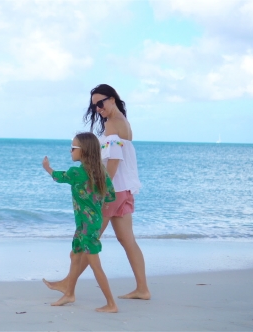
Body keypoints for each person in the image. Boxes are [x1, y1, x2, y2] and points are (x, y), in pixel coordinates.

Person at [43, 84, 151, 300]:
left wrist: (101, 190)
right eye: (94, 106)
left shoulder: (112, 124)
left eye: (100, 103)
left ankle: (68, 286)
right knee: (127, 240)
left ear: (112, 99)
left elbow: (113, 162)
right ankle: (142, 289)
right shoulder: (124, 123)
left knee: (88, 239)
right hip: (124, 190)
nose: (98, 109)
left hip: (112, 191)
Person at [42, 132, 118, 313]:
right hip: (91, 223)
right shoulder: (101, 173)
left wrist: (47, 167)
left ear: (83, 151)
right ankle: (69, 293)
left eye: (74, 148)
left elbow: (59, 177)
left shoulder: (76, 172)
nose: (71, 151)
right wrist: (94, 202)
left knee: (95, 265)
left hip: (85, 226)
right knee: (75, 255)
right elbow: (111, 196)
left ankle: (111, 304)